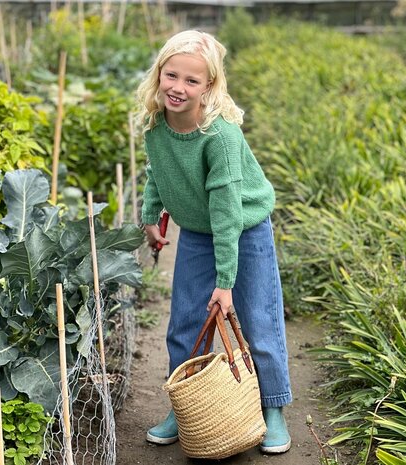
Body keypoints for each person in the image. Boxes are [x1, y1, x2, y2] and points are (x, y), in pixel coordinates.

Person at [137, 29, 292, 455]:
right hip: (197, 231)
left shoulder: (219, 136)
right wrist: (151, 216)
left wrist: (225, 284)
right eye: (172, 76)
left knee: (258, 318)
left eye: (192, 81)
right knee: (185, 322)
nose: (178, 88)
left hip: (244, 228)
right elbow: (158, 172)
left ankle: (272, 407)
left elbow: (227, 214)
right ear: (159, 75)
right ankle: (184, 406)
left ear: (209, 87)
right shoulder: (154, 124)